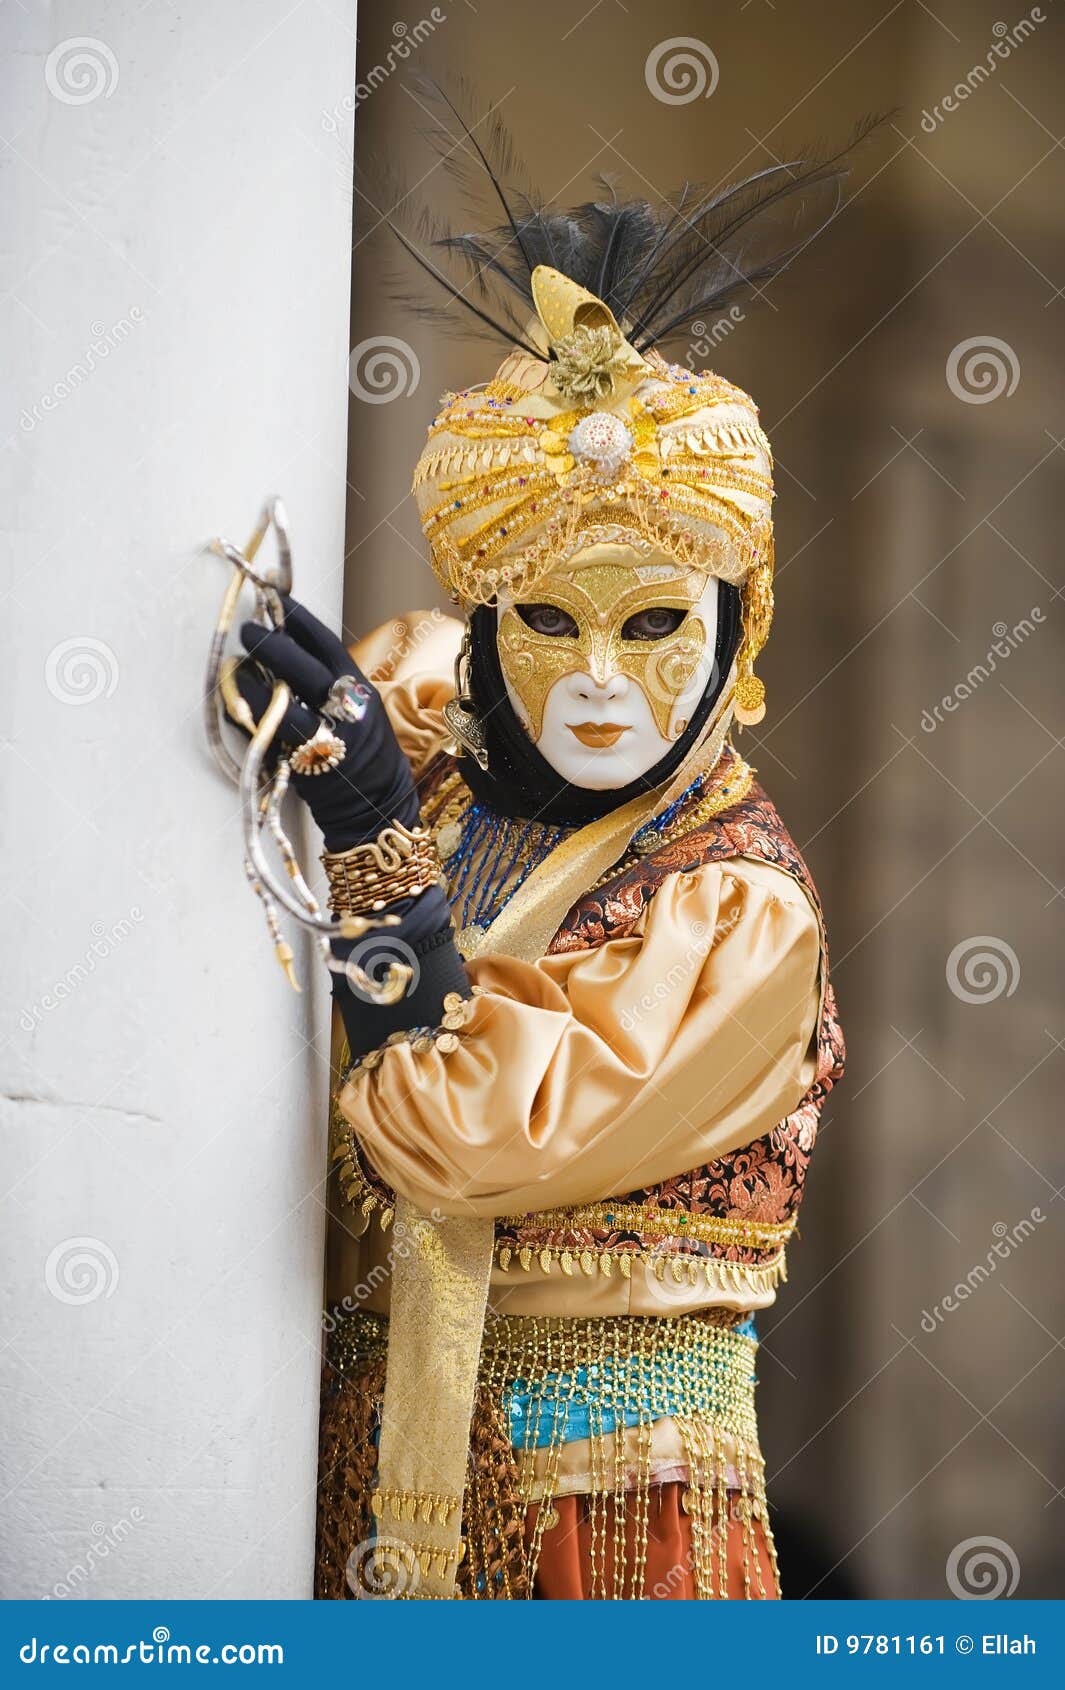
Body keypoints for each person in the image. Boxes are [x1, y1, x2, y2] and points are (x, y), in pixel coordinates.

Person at [227, 146, 850, 1600]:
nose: (593, 682)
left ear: (735, 636)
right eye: (547, 622)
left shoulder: (735, 914)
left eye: (651, 628)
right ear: (486, 622)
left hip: (607, 1530)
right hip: (347, 1482)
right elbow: (382, 693)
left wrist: (379, 855)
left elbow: (455, 1134)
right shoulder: (448, 745)